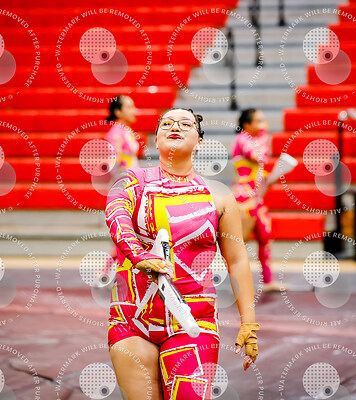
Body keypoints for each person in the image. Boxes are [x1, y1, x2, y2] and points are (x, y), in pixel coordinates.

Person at [105, 108, 259, 400]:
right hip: (132, 318)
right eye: (166, 123)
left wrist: (248, 323)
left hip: (194, 321)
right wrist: (139, 256)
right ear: (156, 139)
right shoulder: (132, 181)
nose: (175, 126)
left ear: (199, 141)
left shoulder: (219, 196)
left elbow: (237, 260)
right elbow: (117, 217)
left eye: (186, 124)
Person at [231, 108, 276, 291]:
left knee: (265, 236)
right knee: (240, 241)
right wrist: (264, 136)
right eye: (258, 121)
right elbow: (259, 157)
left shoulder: (255, 140)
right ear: (247, 124)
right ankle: (237, 281)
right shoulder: (242, 139)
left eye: (262, 121)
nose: (262, 124)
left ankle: (268, 280)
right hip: (243, 199)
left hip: (256, 198)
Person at [105, 95, 140, 169]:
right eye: (129, 107)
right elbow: (114, 163)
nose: (134, 111)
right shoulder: (116, 134)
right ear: (118, 112)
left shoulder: (126, 130)